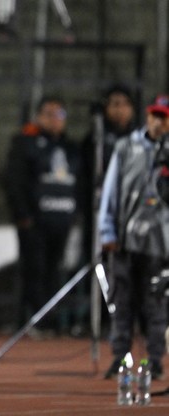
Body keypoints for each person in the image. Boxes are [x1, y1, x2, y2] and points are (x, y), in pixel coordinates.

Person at [99, 95, 169, 380]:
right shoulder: (126, 147)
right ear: (147, 116)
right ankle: (120, 357)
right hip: (126, 239)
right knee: (122, 300)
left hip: (161, 242)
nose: (158, 122)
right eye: (155, 115)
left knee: (156, 303)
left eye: (164, 117)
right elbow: (110, 190)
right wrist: (107, 229)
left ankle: (155, 359)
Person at [4, 96, 81, 332]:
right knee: (33, 271)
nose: (55, 120)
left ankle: (53, 320)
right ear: (39, 117)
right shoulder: (25, 143)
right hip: (34, 222)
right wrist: (23, 214)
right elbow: (14, 181)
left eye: (60, 114)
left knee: (54, 271)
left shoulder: (71, 149)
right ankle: (35, 320)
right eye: (49, 114)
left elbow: (80, 183)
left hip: (62, 220)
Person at [75, 84, 136, 335]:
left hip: (132, 214)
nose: (119, 110)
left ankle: (131, 319)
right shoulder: (95, 139)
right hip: (102, 215)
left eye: (124, 104)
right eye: (114, 104)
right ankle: (97, 317)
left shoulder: (140, 138)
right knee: (101, 263)